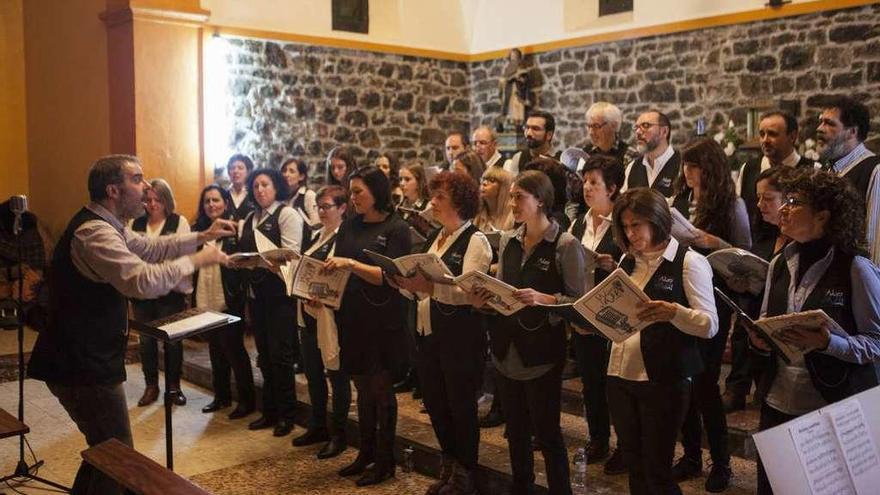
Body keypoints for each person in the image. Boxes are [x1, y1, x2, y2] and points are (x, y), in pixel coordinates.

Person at [27, 154, 233, 495]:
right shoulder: (94, 233)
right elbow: (141, 281)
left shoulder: (109, 225)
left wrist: (201, 235)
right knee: (118, 456)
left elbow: (151, 248)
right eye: (138, 179)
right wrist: (199, 258)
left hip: (89, 358)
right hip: (80, 364)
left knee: (106, 452)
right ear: (113, 190)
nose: (147, 186)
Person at [752, 169, 880, 495]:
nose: (783, 209)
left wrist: (829, 343)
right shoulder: (780, 262)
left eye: (794, 202)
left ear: (823, 216)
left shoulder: (855, 268)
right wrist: (761, 339)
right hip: (776, 399)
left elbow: (876, 342)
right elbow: (768, 316)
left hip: (829, 405)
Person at [470, 170, 586, 495]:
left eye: (519, 197)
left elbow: (578, 304)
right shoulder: (508, 239)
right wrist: (483, 300)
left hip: (542, 353)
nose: (512, 203)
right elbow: (504, 294)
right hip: (507, 350)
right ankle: (522, 486)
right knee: (516, 432)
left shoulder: (565, 245)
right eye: (512, 196)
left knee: (547, 434)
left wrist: (545, 298)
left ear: (541, 201)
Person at [607, 188, 718, 495]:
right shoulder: (627, 260)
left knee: (657, 471)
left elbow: (710, 325)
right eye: (625, 227)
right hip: (620, 374)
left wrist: (674, 312)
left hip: (663, 379)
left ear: (656, 221)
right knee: (634, 465)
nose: (630, 234)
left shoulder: (688, 262)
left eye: (636, 225)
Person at [394, 171, 492, 495]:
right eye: (433, 196)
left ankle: (467, 474)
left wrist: (429, 287)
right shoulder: (436, 236)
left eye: (440, 198)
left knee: (461, 407)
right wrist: (406, 286)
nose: (432, 203)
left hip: (460, 337)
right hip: (428, 332)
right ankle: (449, 465)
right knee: (436, 404)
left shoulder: (475, 240)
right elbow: (423, 290)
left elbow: (469, 293)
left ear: (460, 203)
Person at [670, 138, 751, 492]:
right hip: (681, 293)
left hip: (714, 298)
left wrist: (710, 241)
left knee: (705, 384)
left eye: (694, 167)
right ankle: (689, 455)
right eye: (685, 166)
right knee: (683, 380)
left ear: (711, 169)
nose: (687, 173)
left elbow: (745, 256)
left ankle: (720, 462)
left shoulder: (732, 206)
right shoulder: (682, 200)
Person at [324, 165, 412, 486]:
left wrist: (351, 264)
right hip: (353, 315)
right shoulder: (349, 225)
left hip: (384, 320)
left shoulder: (396, 228)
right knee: (361, 388)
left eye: (358, 191)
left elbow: (391, 276)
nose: (353, 197)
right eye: (351, 191)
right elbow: (336, 265)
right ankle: (366, 452)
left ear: (377, 192)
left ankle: (386, 461)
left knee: (381, 391)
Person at [567, 155, 624, 470]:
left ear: (612, 188)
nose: (586, 188)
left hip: (612, 315)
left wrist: (613, 265)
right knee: (590, 383)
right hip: (582, 312)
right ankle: (598, 439)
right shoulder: (578, 222)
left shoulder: (622, 222)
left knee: (614, 385)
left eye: (594, 183)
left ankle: (625, 446)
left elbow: (635, 267)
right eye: (585, 182)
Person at [236, 167, 303, 437]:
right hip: (257, 296)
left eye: (265, 185)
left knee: (281, 356)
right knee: (263, 355)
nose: (260, 190)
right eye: (255, 186)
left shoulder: (286, 214)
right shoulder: (251, 217)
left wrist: (262, 261)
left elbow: (291, 255)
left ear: (276, 187)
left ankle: (287, 415)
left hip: (280, 297)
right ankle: (270, 411)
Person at [292, 185, 351, 459]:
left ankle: (338, 434)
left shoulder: (345, 238)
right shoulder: (317, 234)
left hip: (330, 315)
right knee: (313, 373)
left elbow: (341, 277)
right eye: (319, 207)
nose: (322, 212)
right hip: (307, 311)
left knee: (336, 376)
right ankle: (317, 425)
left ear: (342, 208)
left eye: (327, 206)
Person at [192, 185, 255, 419]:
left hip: (230, 298)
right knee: (215, 349)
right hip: (205, 298)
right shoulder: (199, 231)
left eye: (216, 200)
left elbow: (242, 265)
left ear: (225, 203)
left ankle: (247, 401)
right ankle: (221, 396)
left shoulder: (235, 232)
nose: (211, 205)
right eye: (207, 201)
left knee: (234, 350)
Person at [129, 179, 192, 408]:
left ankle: (174, 388)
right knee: (147, 341)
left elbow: (183, 254)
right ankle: (151, 386)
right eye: (148, 200)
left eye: (158, 199)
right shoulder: (135, 223)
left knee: (172, 341)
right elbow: (130, 256)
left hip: (170, 292)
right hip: (143, 292)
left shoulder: (179, 222)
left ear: (167, 201)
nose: (153, 204)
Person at [815, 96, 880, 265]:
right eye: (821, 122)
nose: (820, 129)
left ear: (852, 131)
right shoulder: (827, 170)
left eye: (829, 123)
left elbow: (874, 241)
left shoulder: (874, 171)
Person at [394, 161, 431, 397]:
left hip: (421, 271)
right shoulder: (401, 206)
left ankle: (422, 377)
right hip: (404, 269)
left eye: (408, 179)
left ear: (419, 181)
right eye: (401, 179)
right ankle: (411, 371)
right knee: (407, 328)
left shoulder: (426, 208)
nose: (403, 184)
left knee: (419, 328)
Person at [621, 111, 680, 198]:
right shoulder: (632, 167)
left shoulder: (681, 165)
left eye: (645, 126)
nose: (638, 132)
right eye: (636, 127)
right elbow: (623, 202)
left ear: (664, 131)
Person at [584, 102, 636, 172]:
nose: (591, 132)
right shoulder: (585, 153)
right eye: (589, 126)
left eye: (596, 126)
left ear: (614, 125)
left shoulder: (629, 155)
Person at [504, 110, 556, 176]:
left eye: (535, 129)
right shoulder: (519, 158)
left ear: (549, 135)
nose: (528, 133)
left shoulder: (560, 160)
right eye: (527, 127)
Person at [474, 167, 515, 234]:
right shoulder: (477, 213)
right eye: (483, 179)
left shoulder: (513, 216)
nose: (484, 183)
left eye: (492, 180)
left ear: (504, 187)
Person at [281, 157, 320, 226]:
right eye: (284, 171)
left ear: (301, 177)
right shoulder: (281, 197)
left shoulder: (309, 196)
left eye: (291, 171)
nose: (286, 175)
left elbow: (316, 225)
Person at [499, 48, 531, 127]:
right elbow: (504, 79)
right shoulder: (508, 68)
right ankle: (510, 121)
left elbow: (524, 79)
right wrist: (511, 78)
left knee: (517, 104)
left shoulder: (521, 65)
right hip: (509, 90)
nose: (513, 57)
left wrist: (519, 78)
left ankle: (518, 121)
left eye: (515, 55)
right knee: (510, 106)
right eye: (512, 55)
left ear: (518, 56)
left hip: (518, 89)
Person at [226, 153, 256, 221]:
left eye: (240, 168)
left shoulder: (254, 193)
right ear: (228, 172)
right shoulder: (223, 194)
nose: (236, 171)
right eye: (232, 168)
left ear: (248, 172)